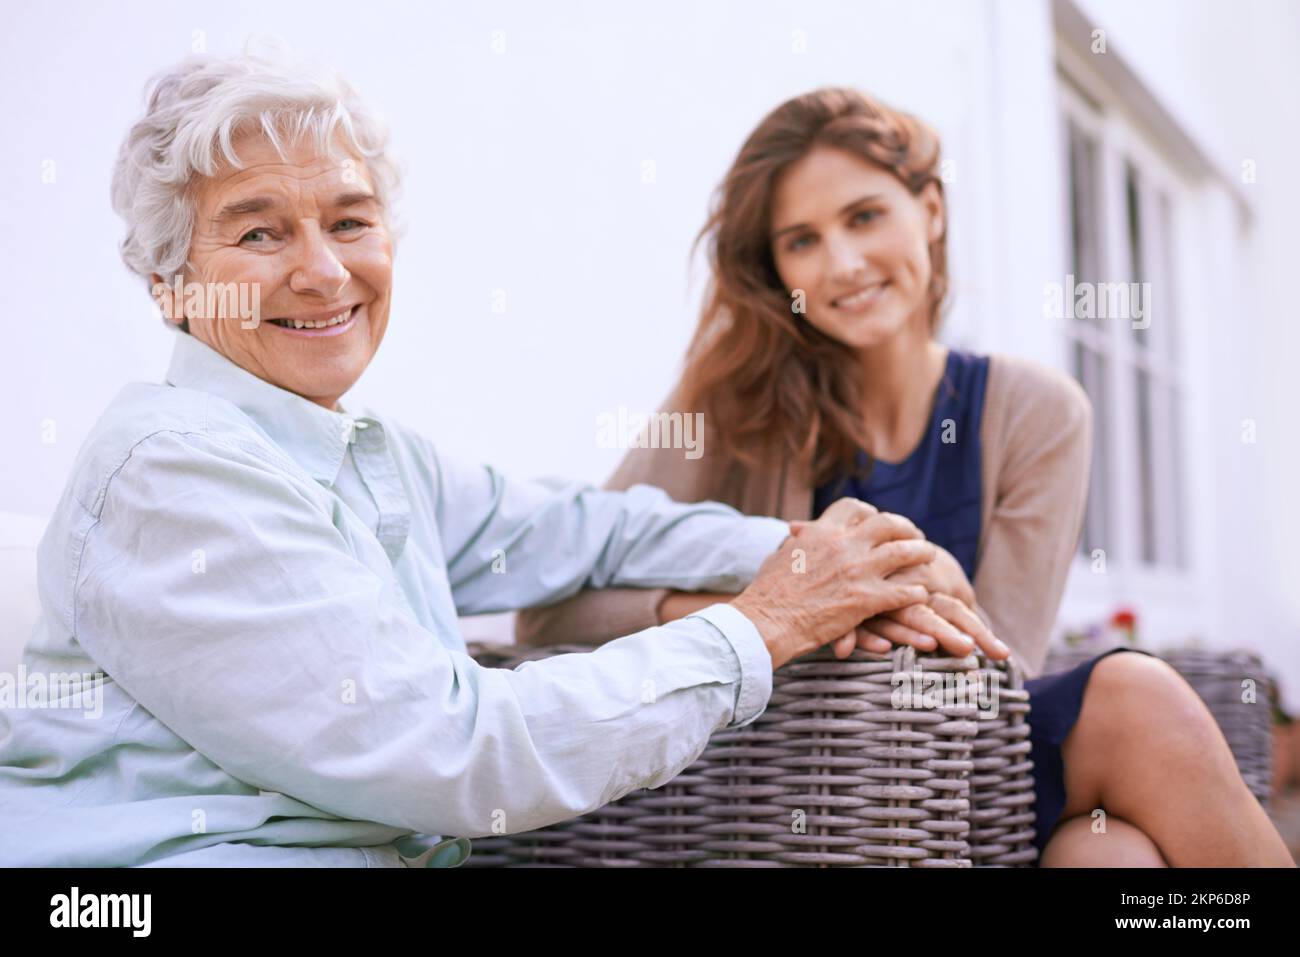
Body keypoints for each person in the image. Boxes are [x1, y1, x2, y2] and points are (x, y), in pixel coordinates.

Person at [0, 51, 980, 868]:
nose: (324, 271)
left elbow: (586, 531)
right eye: (260, 231)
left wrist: (843, 556)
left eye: (348, 220)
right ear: (172, 289)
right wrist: (764, 622)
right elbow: (459, 751)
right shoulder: (174, 472)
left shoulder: (360, 453)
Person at [517, 87, 1294, 867]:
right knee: (1118, 802)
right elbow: (546, 610)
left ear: (931, 209)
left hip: (972, 771)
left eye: (863, 217)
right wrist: (767, 613)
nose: (843, 264)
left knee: (1109, 852)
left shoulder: (1039, 410)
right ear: (775, 265)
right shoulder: (729, 406)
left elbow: (1007, 667)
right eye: (802, 240)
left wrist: (947, 586)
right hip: (810, 786)